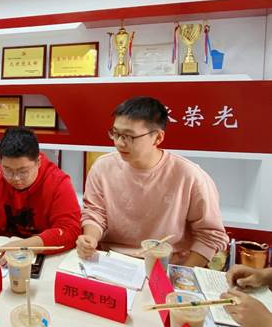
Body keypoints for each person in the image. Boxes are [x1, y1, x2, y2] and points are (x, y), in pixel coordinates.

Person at [77, 96, 228, 267]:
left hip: (166, 265)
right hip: (112, 261)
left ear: (158, 138)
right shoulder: (102, 167)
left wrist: (180, 275)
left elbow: (210, 236)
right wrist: (90, 238)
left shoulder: (190, 176)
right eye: (115, 133)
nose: (119, 143)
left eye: (129, 136)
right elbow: (95, 213)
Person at [0, 127, 81, 257]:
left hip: (40, 256)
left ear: (38, 162)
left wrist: (24, 246)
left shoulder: (58, 183)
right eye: (7, 170)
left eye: (23, 171)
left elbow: (70, 230)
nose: (15, 178)